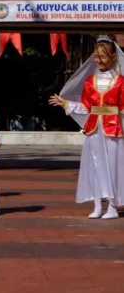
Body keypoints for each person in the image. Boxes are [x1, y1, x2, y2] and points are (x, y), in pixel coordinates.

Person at [50, 34, 124, 219]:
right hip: (93, 129)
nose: (99, 60)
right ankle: (97, 205)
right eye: (96, 57)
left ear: (113, 57)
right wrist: (66, 103)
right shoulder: (90, 81)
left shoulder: (121, 82)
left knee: (113, 166)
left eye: (103, 57)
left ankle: (113, 207)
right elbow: (85, 107)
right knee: (94, 165)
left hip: (113, 129)